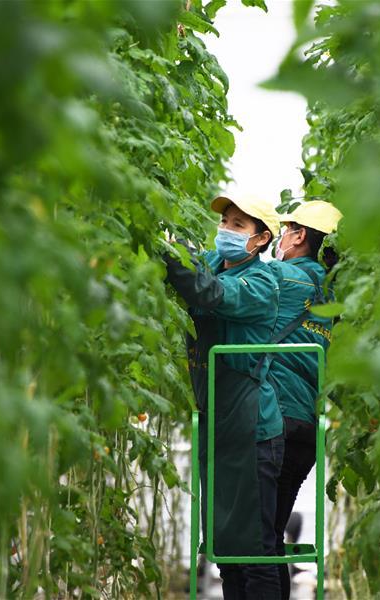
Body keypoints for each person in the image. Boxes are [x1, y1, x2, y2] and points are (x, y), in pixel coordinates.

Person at [163, 195, 284, 600]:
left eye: (237, 226)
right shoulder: (213, 266)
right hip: (218, 426)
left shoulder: (263, 283)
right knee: (225, 549)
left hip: (252, 430)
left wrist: (172, 255)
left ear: (261, 240)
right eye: (225, 222)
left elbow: (211, 294)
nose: (225, 232)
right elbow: (199, 274)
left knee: (258, 552)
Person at [266, 201, 342, 599]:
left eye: (284, 230)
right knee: (271, 534)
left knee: (260, 540)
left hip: (274, 417)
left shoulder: (282, 277)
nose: (278, 239)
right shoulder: (331, 290)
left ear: (299, 236)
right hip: (306, 426)